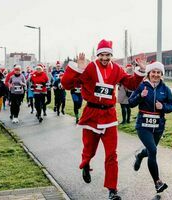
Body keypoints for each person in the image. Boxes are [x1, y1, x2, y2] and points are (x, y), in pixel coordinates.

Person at [61, 39, 146, 200]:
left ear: (111, 55)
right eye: (102, 55)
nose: (105, 58)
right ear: (98, 55)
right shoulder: (90, 67)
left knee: (112, 154)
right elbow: (66, 85)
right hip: (92, 114)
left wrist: (140, 71)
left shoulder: (117, 69)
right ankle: (85, 164)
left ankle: (112, 189)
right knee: (89, 150)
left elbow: (131, 84)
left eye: (108, 55)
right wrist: (78, 69)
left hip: (109, 116)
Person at [129, 61, 172, 193]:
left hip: (158, 126)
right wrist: (140, 96)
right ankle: (157, 182)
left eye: (158, 72)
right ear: (149, 73)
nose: (155, 74)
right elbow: (131, 103)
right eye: (153, 72)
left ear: (161, 74)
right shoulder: (142, 86)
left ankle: (139, 155)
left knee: (151, 150)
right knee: (153, 151)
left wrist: (163, 107)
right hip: (143, 126)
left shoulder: (165, 89)